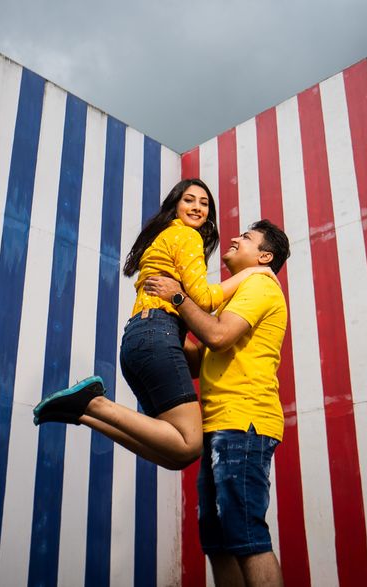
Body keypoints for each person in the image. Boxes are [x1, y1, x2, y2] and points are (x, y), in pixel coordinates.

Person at [32, 179, 276, 470]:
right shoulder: (187, 237)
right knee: (189, 442)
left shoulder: (166, 239)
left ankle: (82, 413)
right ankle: (93, 404)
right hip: (156, 334)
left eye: (204, 203)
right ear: (175, 206)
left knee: (175, 454)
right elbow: (204, 297)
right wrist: (249, 275)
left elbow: (196, 348)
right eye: (189, 200)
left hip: (138, 339)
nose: (197, 207)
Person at [145, 219, 290, 587]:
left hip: (244, 421)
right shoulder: (236, 295)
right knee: (218, 542)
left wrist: (178, 297)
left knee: (245, 535)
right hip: (218, 424)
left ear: (264, 256)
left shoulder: (260, 284)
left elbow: (219, 335)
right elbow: (202, 357)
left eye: (248, 237)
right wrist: (164, 325)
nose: (237, 238)